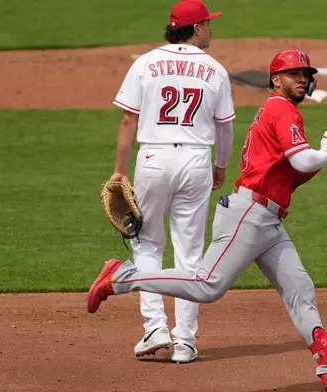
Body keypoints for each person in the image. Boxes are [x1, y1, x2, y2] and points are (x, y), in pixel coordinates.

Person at [88, 49, 327, 392]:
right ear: (275, 80)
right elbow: (301, 163)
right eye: (293, 73)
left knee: (300, 288)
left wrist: (322, 157)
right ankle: (121, 277)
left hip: (268, 222)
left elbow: (292, 177)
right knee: (207, 284)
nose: (301, 79)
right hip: (248, 216)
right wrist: (326, 152)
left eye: (305, 73)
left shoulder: (276, 112)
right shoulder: (281, 110)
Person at [108, 0, 235, 363]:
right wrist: (220, 166)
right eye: (208, 23)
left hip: (153, 158)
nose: (211, 28)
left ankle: (154, 327)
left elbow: (128, 122)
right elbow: (225, 126)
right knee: (190, 252)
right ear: (195, 29)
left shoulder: (145, 62)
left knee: (147, 243)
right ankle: (185, 342)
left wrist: (120, 170)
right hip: (196, 160)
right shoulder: (214, 69)